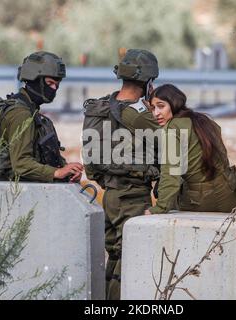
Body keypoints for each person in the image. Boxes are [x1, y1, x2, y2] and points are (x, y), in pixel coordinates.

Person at [82, 49, 161, 299]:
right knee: (129, 257)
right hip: (134, 196)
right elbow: (169, 145)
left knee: (115, 254)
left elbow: (91, 162)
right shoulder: (140, 116)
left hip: (109, 195)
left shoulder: (99, 108)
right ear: (148, 82)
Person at [145, 84, 236, 215]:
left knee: (162, 191)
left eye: (161, 106)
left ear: (174, 103)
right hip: (232, 197)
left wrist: (159, 208)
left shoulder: (171, 129)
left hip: (203, 200)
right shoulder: (203, 120)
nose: (156, 113)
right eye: (152, 108)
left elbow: (171, 173)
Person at [0, 51, 83, 182]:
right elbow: (21, 164)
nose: (54, 89)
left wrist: (67, 170)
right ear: (34, 79)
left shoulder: (33, 114)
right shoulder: (21, 114)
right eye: (50, 83)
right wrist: (57, 172)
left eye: (57, 85)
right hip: (18, 193)